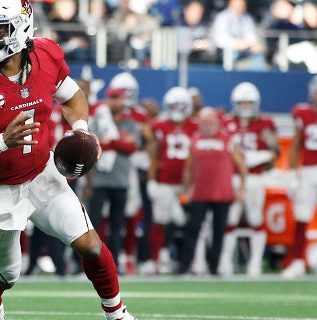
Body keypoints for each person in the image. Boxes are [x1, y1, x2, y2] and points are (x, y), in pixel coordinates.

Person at [0, 1, 138, 319]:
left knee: (90, 245)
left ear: (23, 25)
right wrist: (2, 141)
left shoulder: (45, 54)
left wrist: (81, 131)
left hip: (39, 172)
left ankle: (116, 312)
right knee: (6, 275)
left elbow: (72, 97)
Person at [218, 82, 280, 277]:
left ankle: (255, 263)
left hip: (254, 178)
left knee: (255, 219)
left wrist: (260, 157)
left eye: (248, 102)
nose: (245, 106)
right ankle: (225, 261)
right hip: (231, 177)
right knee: (230, 220)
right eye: (241, 102)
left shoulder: (265, 123)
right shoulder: (226, 121)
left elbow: (275, 152)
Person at [178, 107, 248, 275]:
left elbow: (242, 167)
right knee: (193, 228)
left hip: (223, 193)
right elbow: (188, 168)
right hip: (200, 193)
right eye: (204, 122)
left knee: (218, 231)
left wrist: (241, 189)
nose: (207, 125)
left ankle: (215, 267)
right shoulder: (194, 140)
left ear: (217, 123)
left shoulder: (228, 140)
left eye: (210, 122)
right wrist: (185, 190)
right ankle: (185, 265)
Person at [88, 71, 144, 275]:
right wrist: (117, 143)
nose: (114, 102)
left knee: (117, 224)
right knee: (93, 223)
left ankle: (115, 263)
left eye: (117, 98)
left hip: (120, 180)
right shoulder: (98, 119)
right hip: (100, 179)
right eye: (111, 98)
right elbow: (92, 143)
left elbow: (132, 147)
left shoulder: (129, 122)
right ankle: (91, 262)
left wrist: (111, 143)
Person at [283, 73, 317, 279]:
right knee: (302, 216)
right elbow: (297, 144)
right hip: (308, 170)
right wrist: (292, 173)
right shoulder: (302, 113)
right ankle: (297, 261)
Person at [141, 87, 198, 275]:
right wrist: (151, 180)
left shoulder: (195, 126)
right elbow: (154, 155)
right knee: (160, 220)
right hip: (165, 182)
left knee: (188, 222)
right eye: (174, 105)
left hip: (187, 183)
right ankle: (156, 260)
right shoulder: (159, 126)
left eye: (181, 105)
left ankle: (191, 260)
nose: (177, 109)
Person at [210, 0, 266, 71]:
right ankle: (230, 78)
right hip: (225, 50)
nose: (239, 7)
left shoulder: (247, 18)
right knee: (231, 52)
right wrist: (236, 43)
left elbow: (252, 37)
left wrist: (251, 45)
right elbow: (220, 40)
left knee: (258, 53)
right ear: (230, 4)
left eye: (241, 5)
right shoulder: (222, 17)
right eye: (236, 4)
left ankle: (256, 79)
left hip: (244, 49)